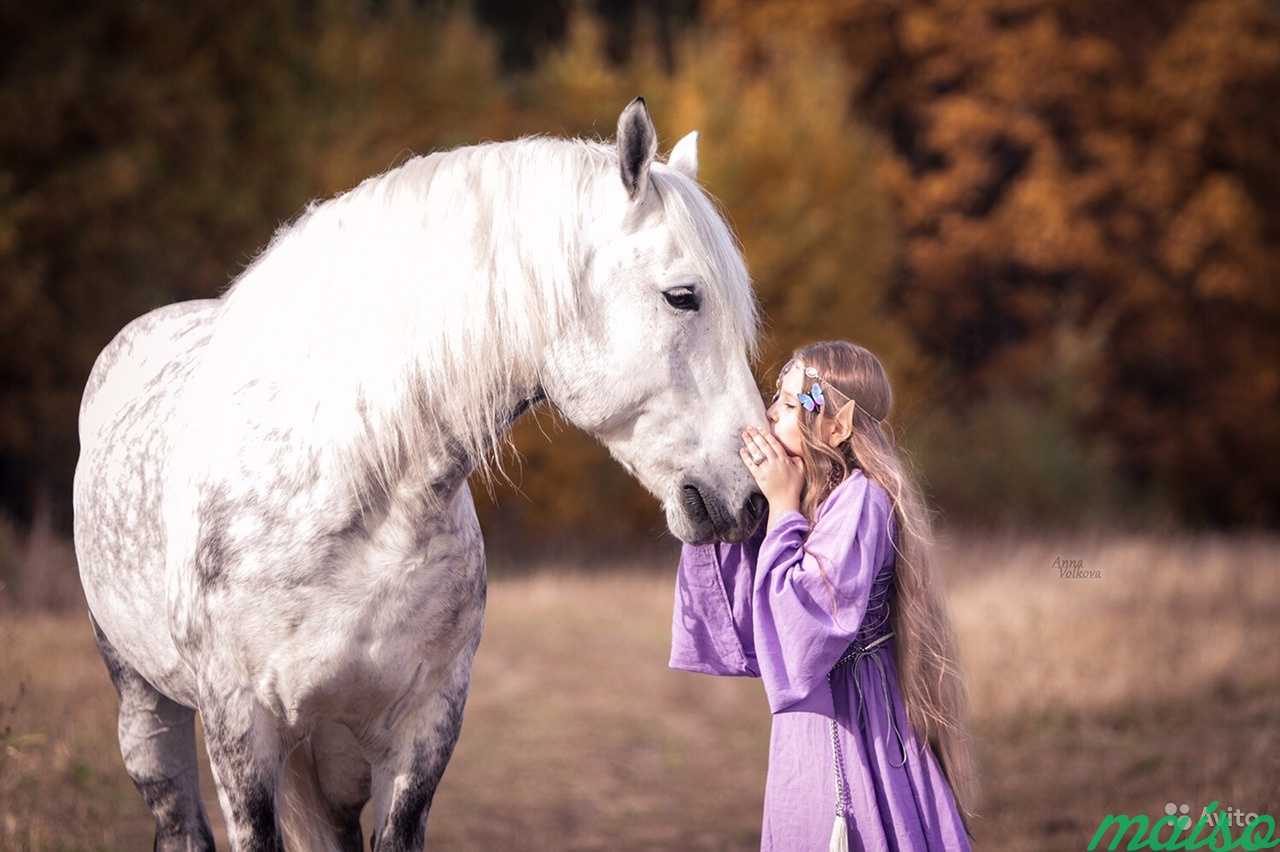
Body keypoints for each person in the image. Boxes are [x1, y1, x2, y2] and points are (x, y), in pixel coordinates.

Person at [670, 340, 979, 851]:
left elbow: (804, 624)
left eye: (790, 405)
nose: (769, 413)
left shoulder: (862, 499)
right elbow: (752, 610)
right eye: (777, 398)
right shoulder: (807, 500)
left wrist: (783, 506)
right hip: (806, 733)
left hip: (858, 729)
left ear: (836, 427)